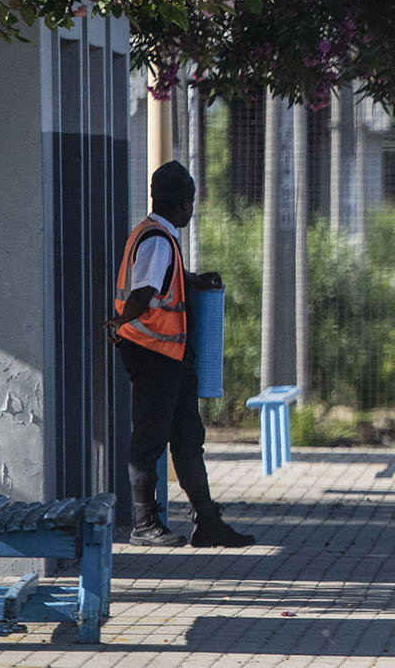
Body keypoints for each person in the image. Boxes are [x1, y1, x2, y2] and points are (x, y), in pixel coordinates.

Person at [105, 161, 256, 548]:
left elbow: (162, 280)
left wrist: (193, 281)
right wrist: (120, 321)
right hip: (153, 354)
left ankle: (207, 522)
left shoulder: (159, 235)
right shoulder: (157, 239)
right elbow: (143, 292)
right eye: (190, 202)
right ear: (181, 203)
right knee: (151, 438)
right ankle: (144, 524)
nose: (192, 209)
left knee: (188, 438)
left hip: (171, 357)